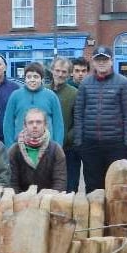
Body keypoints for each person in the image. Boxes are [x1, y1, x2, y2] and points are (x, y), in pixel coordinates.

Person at [73, 46, 127, 193]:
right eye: (98, 60)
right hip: (91, 145)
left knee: (116, 186)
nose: (102, 63)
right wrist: (79, 142)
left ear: (111, 61)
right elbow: (78, 114)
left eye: (105, 59)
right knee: (93, 186)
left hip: (116, 145)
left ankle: (114, 216)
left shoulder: (123, 83)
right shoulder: (85, 84)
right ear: (93, 63)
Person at [3, 62, 64, 148]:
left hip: (47, 147)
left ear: (42, 79)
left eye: (36, 77)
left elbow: (58, 124)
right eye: (29, 77)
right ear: (25, 79)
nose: (32, 80)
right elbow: (8, 124)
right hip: (21, 147)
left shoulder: (51, 96)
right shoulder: (15, 96)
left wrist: (57, 147)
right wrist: (10, 147)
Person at [9, 108, 66, 193]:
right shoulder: (14, 151)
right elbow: (12, 184)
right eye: (30, 122)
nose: (34, 125)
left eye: (39, 122)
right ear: (24, 126)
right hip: (21, 201)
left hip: (49, 200)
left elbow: (60, 183)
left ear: (45, 125)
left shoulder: (56, 150)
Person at [50, 57, 80, 192]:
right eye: (57, 70)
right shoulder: (44, 91)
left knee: (69, 188)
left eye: (64, 72)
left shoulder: (74, 93)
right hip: (47, 149)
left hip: (68, 150)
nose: (60, 74)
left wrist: (65, 138)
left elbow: (79, 122)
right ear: (52, 71)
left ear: (69, 74)